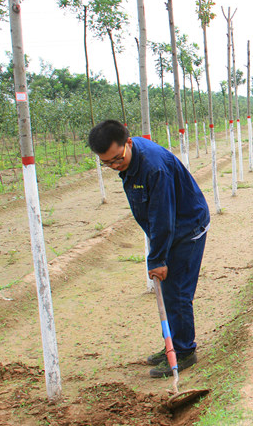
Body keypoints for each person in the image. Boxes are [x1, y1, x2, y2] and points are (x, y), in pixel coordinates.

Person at [88, 120, 210, 378]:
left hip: (187, 228)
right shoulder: (130, 158)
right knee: (169, 291)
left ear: (128, 143)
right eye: (107, 163)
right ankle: (172, 345)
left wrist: (157, 259)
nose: (114, 166)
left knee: (176, 292)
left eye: (117, 159)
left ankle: (184, 351)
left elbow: (162, 218)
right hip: (172, 226)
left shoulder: (154, 169)